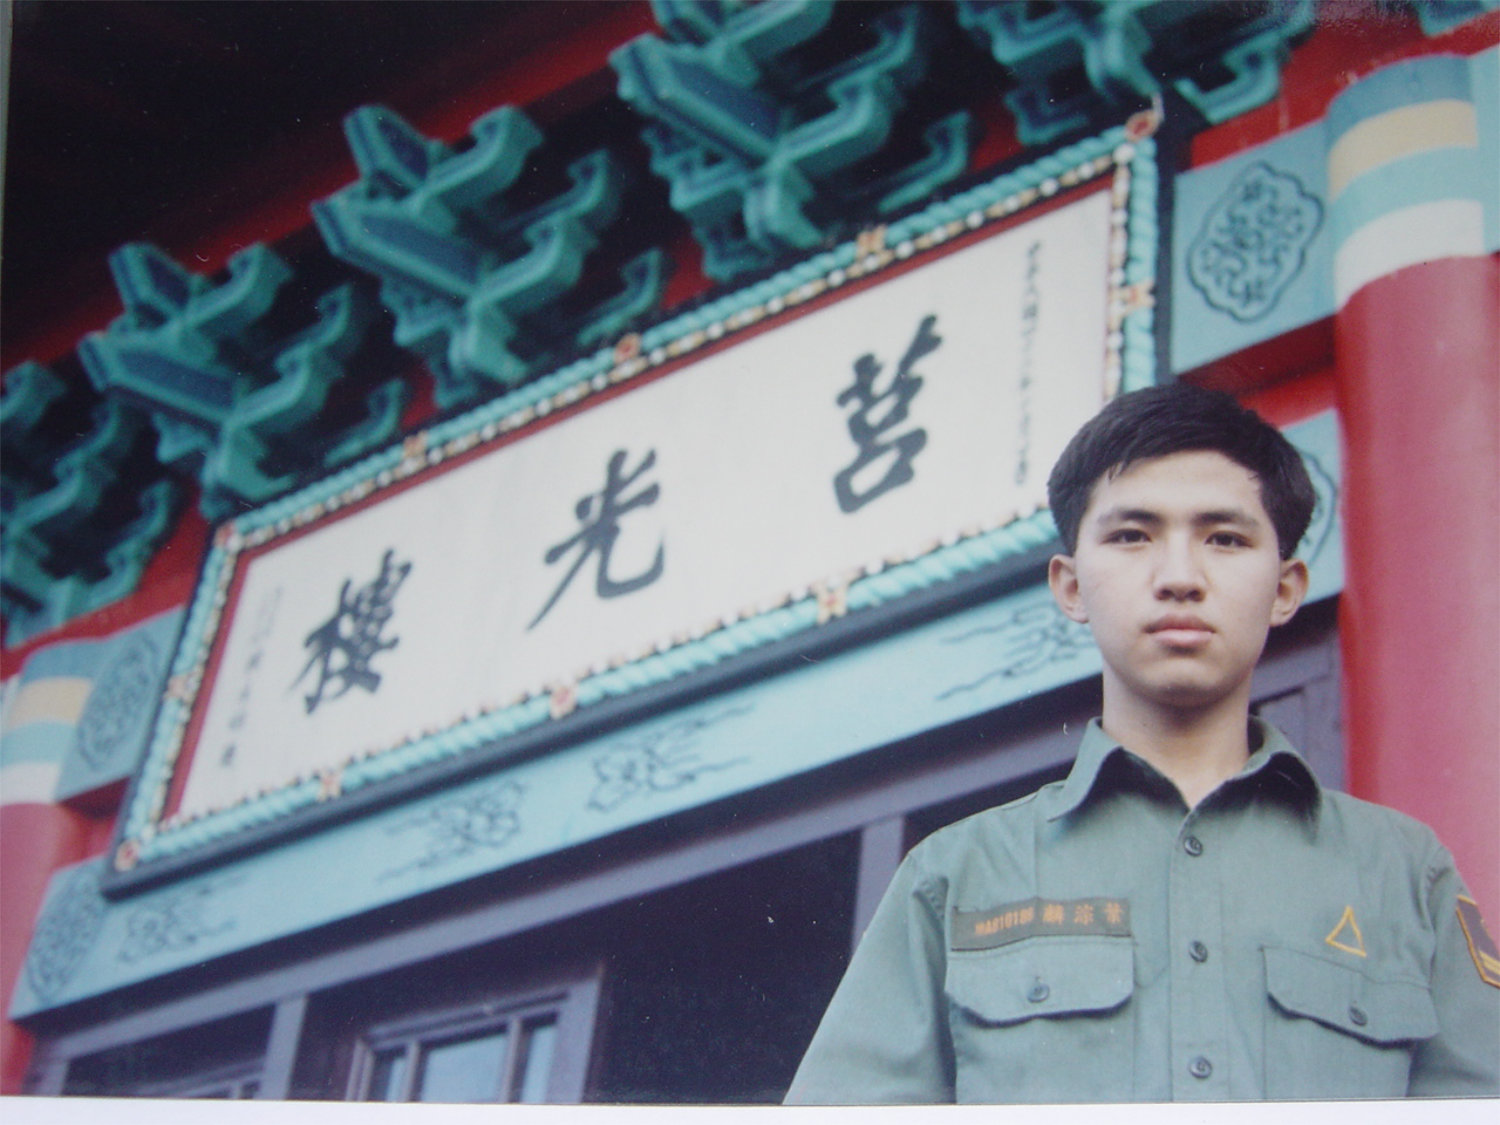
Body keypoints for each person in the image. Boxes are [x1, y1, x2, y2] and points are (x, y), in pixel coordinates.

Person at [785, 382, 1500, 1102]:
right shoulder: (954, 878)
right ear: (1070, 586)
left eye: (1225, 538)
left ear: (1285, 589)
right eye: (1132, 535)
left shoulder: (1405, 875)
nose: (1179, 578)